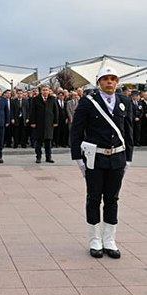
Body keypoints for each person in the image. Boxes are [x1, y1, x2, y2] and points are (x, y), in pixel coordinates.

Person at [70, 67, 133, 259]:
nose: (110, 82)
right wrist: (78, 158)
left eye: (113, 79)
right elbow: (76, 131)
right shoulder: (88, 102)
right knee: (94, 198)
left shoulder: (125, 101)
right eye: (106, 79)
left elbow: (128, 131)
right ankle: (95, 240)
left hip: (117, 157)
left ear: (117, 82)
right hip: (94, 158)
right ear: (99, 82)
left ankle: (109, 240)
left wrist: (128, 158)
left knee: (112, 199)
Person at [30, 84, 58, 163]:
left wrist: (55, 121)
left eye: (47, 90)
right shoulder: (35, 99)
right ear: (40, 91)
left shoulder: (52, 99)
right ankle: (38, 157)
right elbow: (32, 111)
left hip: (49, 124)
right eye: (43, 90)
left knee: (48, 142)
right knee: (38, 142)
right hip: (39, 124)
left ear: (49, 91)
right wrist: (33, 122)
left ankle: (48, 157)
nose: (45, 91)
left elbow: (55, 111)